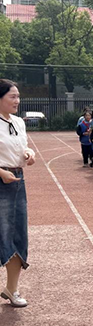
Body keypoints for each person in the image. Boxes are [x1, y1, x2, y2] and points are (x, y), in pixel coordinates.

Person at [0, 80, 36, 308]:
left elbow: (23, 147)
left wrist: (29, 154)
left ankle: (11, 289)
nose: (17, 101)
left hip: (16, 181)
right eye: (12, 96)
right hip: (1, 178)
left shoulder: (18, 123)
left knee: (16, 234)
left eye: (18, 96)